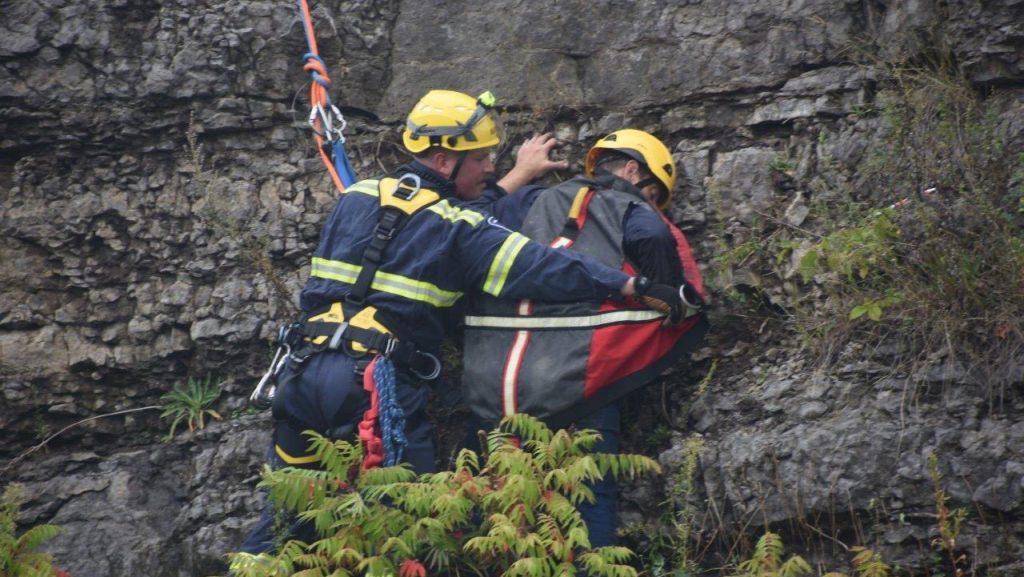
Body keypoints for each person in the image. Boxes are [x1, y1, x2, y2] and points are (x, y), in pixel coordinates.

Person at [237, 92, 691, 554]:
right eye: (482, 158)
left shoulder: (356, 197)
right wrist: (632, 288)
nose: (491, 167)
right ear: (443, 158)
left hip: (302, 374)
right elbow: (543, 267)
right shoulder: (462, 229)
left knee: (285, 522)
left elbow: (437, 216)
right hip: (374, 388)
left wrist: (518, 175)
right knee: (410, 528)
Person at [460, 128, 710, 547]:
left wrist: (519, 173)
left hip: (493, 387)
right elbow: (654, 247)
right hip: (576, 386)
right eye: (652, 194)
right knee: (589, 502)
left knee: (484, 512)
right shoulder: (632, 208)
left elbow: (473, 226)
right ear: (632, 170)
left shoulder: (528, 200)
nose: (652, 205)